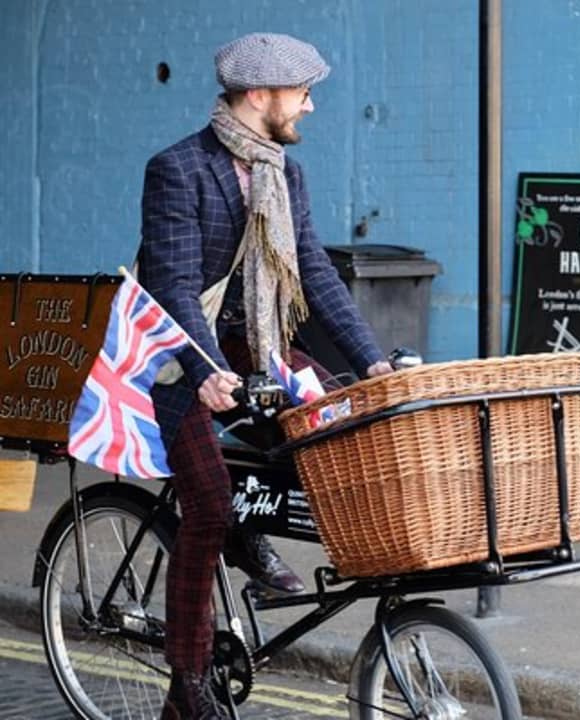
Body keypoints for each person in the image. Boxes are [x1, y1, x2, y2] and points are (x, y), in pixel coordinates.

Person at [138, 32, 392, 720]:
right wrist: (206, 369)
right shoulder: (179, 169)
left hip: (252, 345)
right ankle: (187, 682)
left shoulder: (284, 174)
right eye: (301, 93)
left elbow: (314, 272)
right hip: (174, 357)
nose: (309, 105)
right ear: (258, 95)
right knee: (208, 503)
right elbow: (172, 285)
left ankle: (254, 531)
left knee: (337, 413)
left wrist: (370, 359)